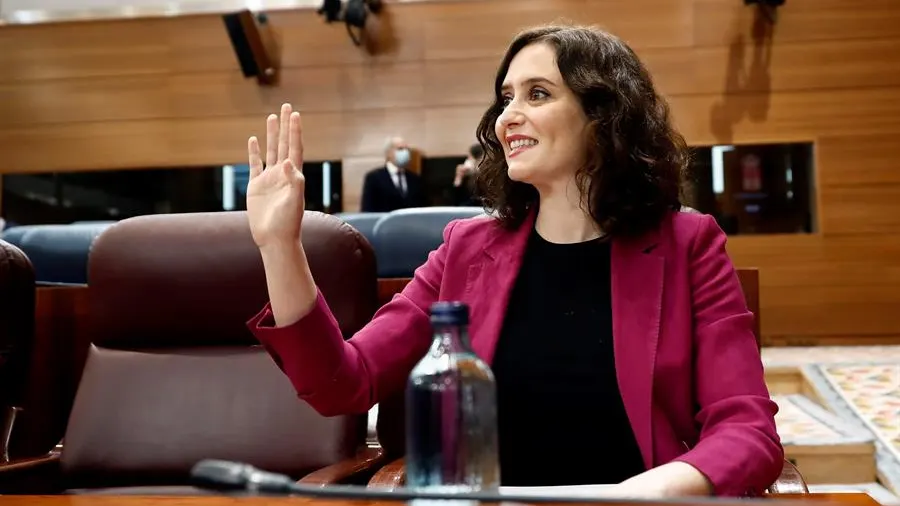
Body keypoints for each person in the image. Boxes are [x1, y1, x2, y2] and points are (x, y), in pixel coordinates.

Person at [244, 24, 782, 498]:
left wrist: (643, 492)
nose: (508, 118)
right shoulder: (466, 249)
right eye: (506, 98)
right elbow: (342, 383)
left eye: (538, 94)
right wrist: (280, 245)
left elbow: (747, 431)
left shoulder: (689, 244)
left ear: (604, 116)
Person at [359, 136, 427, 212]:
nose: (405, 152)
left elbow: (422, 208)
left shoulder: (415, 179)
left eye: (407, 149)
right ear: (388, 153)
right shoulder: (374, 178)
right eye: (400, 149)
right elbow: (367, 209)